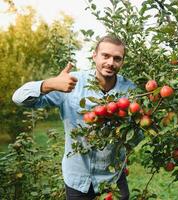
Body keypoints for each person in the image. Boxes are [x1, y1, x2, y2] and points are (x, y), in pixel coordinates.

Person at [12, 35, 136, 200]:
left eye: (117, 58)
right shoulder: (71, 83)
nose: (110, 63)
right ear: (94, 55)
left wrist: (123, 144)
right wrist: (50, 84)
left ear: (122, 61)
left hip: (113, 176)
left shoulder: (130, 89)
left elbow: (137, 129)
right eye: (105, 56)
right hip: (78, 179)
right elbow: (19, 98)